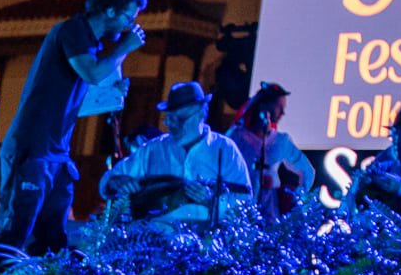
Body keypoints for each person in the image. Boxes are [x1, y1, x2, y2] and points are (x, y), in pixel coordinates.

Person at [0, 0, 151, 255]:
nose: (129, 25)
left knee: (52, 240)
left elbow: (77, 102)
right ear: (110, 10)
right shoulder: (73, 31)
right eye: (128, 16)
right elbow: (92, 72)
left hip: (56, 155)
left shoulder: (92, 45)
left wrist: (110, 94)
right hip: (33, 149)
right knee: (12, 232)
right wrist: (124, 48)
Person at [102, 82, 254, 228]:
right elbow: (108, 182)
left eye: (180, 119)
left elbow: (245, 200)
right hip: (157, 244)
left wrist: (212, 201)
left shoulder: (225, 149)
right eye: (169, 119)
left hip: (208, 245)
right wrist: (116, 182)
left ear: (201, 114)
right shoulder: (154, 149)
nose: (173, 125)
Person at [226, 83, 315, 220]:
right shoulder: (236, 137)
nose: (283, 113)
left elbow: (307, 170)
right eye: (279, 107)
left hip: (269, 209)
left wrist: (298, 198)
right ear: (264, 106)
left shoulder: (281, 141)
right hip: (238, 206)